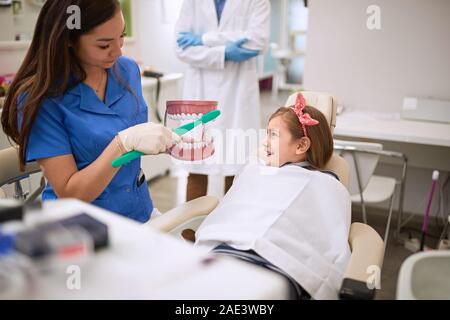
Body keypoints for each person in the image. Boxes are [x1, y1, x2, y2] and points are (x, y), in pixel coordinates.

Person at [1, 0, 180, 223]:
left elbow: (135, 141)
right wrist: (121, 144)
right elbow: (70, 192)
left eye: (121, 36)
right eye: (104, 45)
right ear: (68, 40)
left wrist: (169, 142)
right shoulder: (41, 100)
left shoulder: (127, 70)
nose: (118, 50)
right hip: (80, 224)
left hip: (138, 211)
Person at [194, 93, 352, 300]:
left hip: (282, 267)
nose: (265, 142)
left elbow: (324, 237)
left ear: (301, 145)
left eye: (273, 135)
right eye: (266, 134)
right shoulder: (256, 170)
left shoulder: (327, 184)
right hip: (227, 252)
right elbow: (235, 210)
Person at [174, 0, 271, 201]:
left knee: (235, 167)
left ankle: (229, 231)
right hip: (199, 92)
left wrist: (203, 39)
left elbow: (258, 42)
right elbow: (181, 47)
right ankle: (190, 232)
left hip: (238, 91)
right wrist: (225, 51)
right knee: (196, 167)